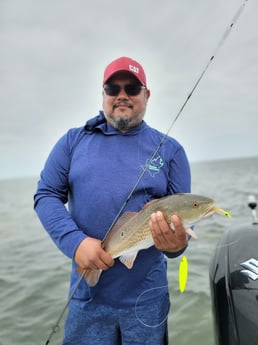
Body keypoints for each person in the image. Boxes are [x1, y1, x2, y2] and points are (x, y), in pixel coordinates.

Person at [34, 56, 191, 345]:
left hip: (147, 298)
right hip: (87, 296)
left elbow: (178, 233)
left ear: (146, 94)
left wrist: (177, 245)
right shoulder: (72, 142)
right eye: (112, 88)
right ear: (103, 94)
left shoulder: (171, 151)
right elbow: (46, 195)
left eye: (132, 88)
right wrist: (75, 242)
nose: (122, 95)